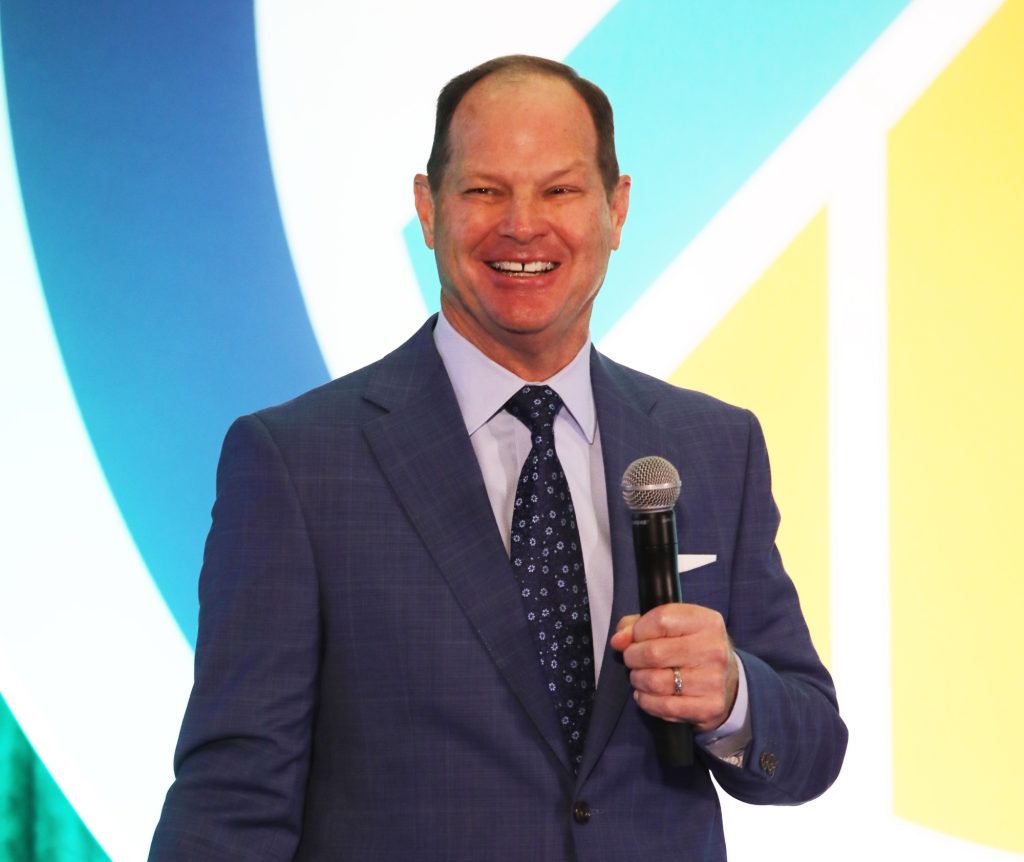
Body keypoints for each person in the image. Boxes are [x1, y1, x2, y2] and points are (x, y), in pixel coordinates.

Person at [149, 55, 846, 861]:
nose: (522, 225)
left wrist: (731, 696)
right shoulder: (297, 464)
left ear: (616, 209)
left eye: (560, 190)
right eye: (484, 191)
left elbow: (812, 742)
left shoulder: (715, 446)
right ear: (428, 208)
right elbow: (233, 798)